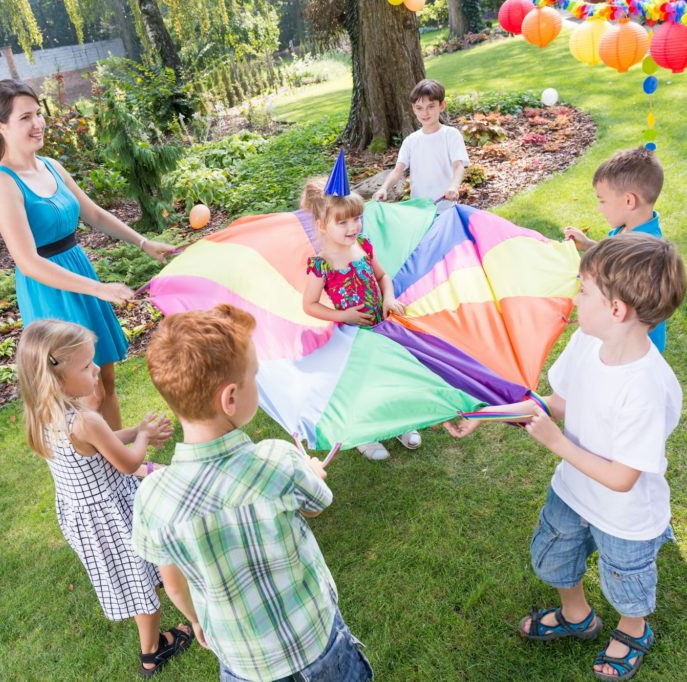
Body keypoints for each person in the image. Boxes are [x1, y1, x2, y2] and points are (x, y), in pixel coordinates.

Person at [446, 235, 687, 681]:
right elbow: (557, 403)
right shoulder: (585, 342)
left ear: (617, 310)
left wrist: (557, 444)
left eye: (583, 290)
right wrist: (485, 414)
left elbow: (622, 478)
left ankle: (633, 630)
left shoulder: (646, 387)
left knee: (626, 582)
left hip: (625, 516)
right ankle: (576, 615)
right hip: (573, 493)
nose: (573, 298)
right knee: (554, 556)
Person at [133, 305, 374, 682]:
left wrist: (196, 620)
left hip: (243, 663)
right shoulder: (278, 460)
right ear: (230, 398)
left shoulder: (152, 497)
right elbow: (317, 503)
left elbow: (174, 583)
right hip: (315, 643)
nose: (258, 385)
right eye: (255, 377)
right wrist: (310, 470)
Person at [0, 79, 174, 430]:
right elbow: (26, 261)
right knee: (86, 397)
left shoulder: (51, 166)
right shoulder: (2, 183)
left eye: (39, 114)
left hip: (80, 274)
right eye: (25, 117)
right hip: (49, 291)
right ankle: (99, 477)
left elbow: (95, 214)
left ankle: (122, 472)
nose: (37, 124)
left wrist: (145, 244)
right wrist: (100, 289)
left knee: (106, 383)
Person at [16, 319, 193, 678]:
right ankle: (152, 651)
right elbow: (128, 463)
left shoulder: (42, 413)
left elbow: (103, 441)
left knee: (137, 575)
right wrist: (142, 437)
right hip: (112, 514)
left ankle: (160, 602)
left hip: (85, 518)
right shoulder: (84, 419)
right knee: (141, 586)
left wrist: (136, 432)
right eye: (86, 366)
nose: (96, 369)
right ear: (57, 377)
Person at [300, 171, 422, 460]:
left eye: (356, 218)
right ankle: (366, 435)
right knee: (362, 384)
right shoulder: (322, 264)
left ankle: (402, 422)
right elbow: (310, 305)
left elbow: (383, 277)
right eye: (342, 222)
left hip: (381, 327)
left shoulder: (363, 245)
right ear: (322, 225)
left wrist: (389, 299)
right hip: (351, 334)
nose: (352, 226)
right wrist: (344, 316)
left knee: (390, 374)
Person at [562, 147, 668, 351]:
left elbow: (624, 297)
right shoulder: (624, 230)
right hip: (616, 334)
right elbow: (611, 256)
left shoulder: (646, 253)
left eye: (603, 201)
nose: (599, 208)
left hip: (633, 345)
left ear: (629, 200)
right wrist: (588, 245)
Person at [373, 79, 469, 213]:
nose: (425, 113)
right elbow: (397, 171)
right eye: (419, 108)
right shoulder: (410, 141)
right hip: (419, 209)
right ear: (413, 109)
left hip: (445, 206)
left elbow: (458, 165)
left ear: (442, 106)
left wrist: (454, 186)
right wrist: (383, 188)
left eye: (431, 106)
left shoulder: (451, 135)